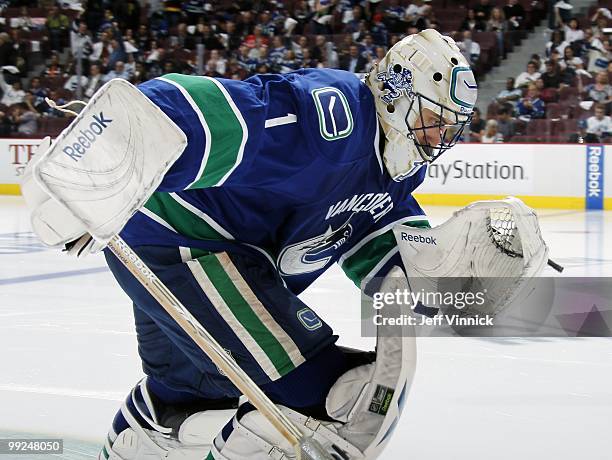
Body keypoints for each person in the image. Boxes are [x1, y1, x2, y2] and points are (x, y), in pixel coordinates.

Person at [23, 30, 477, 460]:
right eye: (433, 121)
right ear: (397, 94)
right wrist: (106, 148)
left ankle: (145, 439)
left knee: (192, 398)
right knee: (325, 402)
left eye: (449, 129)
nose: (439, 140)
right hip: (184, 240)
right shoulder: (335, 117)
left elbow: (377, 240)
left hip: (212, 254)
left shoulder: (394, 167)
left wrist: (452, 279)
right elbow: (228, 114)